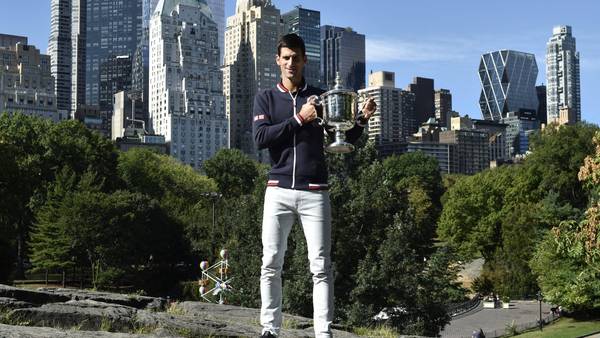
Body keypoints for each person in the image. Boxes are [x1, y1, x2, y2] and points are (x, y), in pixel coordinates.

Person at [252, 33, 376, 338]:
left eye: (296, 57)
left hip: (315, 192)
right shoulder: (266, 98)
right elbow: (260, 138)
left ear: (304, 60)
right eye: (286, 58)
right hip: (277, 190)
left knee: (320, 266)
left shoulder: (321, 98)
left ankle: (323, 332)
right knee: (270, 262)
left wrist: (361, 120)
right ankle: (270, 329)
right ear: (277, 61)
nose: (291, 63)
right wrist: (298, 118)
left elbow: (343, 137)